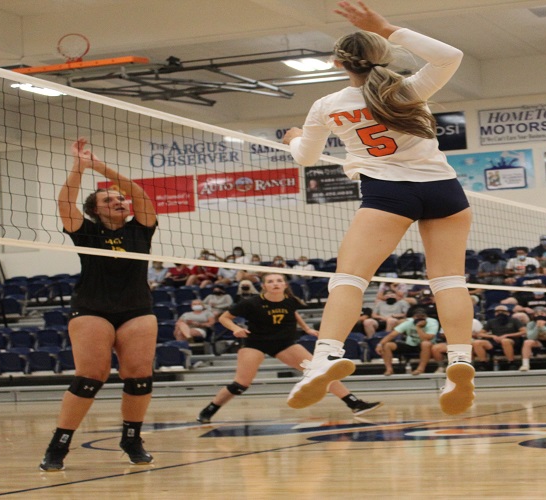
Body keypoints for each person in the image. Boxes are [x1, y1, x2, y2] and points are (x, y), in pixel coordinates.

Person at [282, 2, 475, 415]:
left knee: (349, 279)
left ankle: (326, 357)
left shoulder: (327, 105)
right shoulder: (405, 89)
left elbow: (304, 158)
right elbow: (451, 56)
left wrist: (293, 138)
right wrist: (387, 27)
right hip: (445, 190)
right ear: (382, 55)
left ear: (338, 63)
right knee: (449, 281)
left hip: (389, 194)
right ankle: (460, 359)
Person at [40, 137, 159, 472]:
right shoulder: (86, 232)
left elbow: (138, 193)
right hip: (92, 307)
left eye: (119, 198)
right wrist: (79, 167)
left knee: (139, 376)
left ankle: (131, 438)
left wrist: (99, 166)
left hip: (136, 308)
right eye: (109, 199)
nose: (119, 201)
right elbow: (66, 202)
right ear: (95, 210)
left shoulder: (141, 229)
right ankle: (59, 444)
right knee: (91, 376)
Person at [197, 273, 380, 423]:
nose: (275, 284)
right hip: (255, 343)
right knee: (240, 384)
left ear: (284, 285)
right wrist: (236, 328)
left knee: (321, 372)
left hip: (284, 343)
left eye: (278, 281)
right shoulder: (251, 303)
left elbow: (293, 312)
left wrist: (307, 328)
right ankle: (209, 410)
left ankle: (354, 403)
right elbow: (224, 318)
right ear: (264, 286)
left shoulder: (291, 300)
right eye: (270, 281)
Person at [378, 308, 437, 376]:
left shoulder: (432, 323)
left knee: (425, 344)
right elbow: (392, 335)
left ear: (426, 317)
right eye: (417, 317)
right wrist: (380, 344)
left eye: (422, 317)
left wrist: (418, 327)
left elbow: (427, 338)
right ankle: (389, 369)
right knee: (387, 345)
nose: (420, 319)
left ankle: (420, 369)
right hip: (410, 343)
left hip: (426, 346)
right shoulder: (408, 322)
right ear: (413, 317)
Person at [480, 305, 526, 370]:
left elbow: (523, 331)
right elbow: (480, 333)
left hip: (512, 340)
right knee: (478, 342)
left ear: (507, 313)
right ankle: (483, 364)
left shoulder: (514, 320)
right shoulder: (491, 321)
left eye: (502, 311)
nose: (500, 313)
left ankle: (511, 362)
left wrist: (507, 335)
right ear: (495, 313)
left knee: (505, 341)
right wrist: (492, 336)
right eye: (497, 312)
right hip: (495, 340)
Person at [519, 307, 546, 372]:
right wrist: (537, 327)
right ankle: (525, 365)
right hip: (539, 342)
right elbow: (530, 337)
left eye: (542, 313)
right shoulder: (531, 324)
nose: (540, 315)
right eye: (537, 314)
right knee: (527, 342)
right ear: (534, 315)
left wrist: (543, 327)